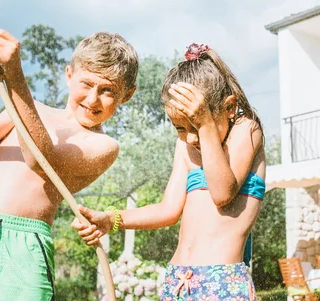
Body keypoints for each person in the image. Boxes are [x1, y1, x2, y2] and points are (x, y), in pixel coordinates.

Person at [0, 28, 138, 301]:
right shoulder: (32, 108)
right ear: (69, 75)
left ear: (127, 95)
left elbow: (39, 159)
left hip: (21, 246)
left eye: (108, 90)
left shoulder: (103, 145)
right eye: (87, 84)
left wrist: (14, 75)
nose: (93, 99)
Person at [72, 43, 266, 301]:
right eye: (179, 128)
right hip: (178, 280)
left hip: (221, 282)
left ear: (229, 108)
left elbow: (222, 193)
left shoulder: (247, 128)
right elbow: (167, 210)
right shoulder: (186, 145)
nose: (190, 138)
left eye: (195, 125)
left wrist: (205, 124)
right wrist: (111, 219)